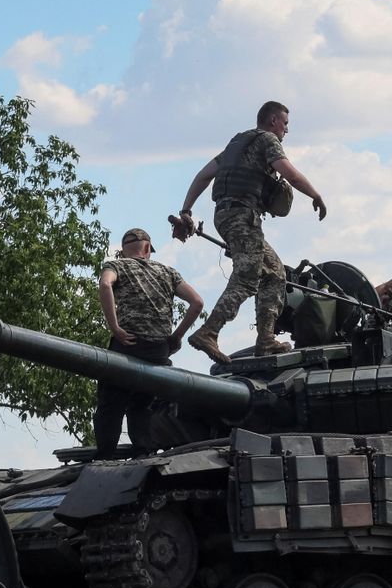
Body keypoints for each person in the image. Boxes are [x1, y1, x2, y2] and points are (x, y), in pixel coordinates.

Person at [176, 100, 327, 365]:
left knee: (275, 274)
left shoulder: (238, 144)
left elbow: (203, 175)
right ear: (272, 121)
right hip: (242, 216)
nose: (286, 130)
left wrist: (186, 211)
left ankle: (265, 340)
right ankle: (208, 331)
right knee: (247, 277)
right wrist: (315, 195)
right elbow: (289, 174)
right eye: (285, 124)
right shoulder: (268, 140)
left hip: (225, 215)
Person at [94, 228, 203, 459]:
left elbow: (105, 285)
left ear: (123, 251)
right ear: (147, 248)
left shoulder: (117, 266)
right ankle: (143, 450)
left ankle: (105, 456)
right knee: (141, 404)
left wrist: (115, 327)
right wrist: (176, 337)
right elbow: (197, 302)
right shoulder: (168, 272)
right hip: (158, 351)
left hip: (128, 344)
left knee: (111, 403)